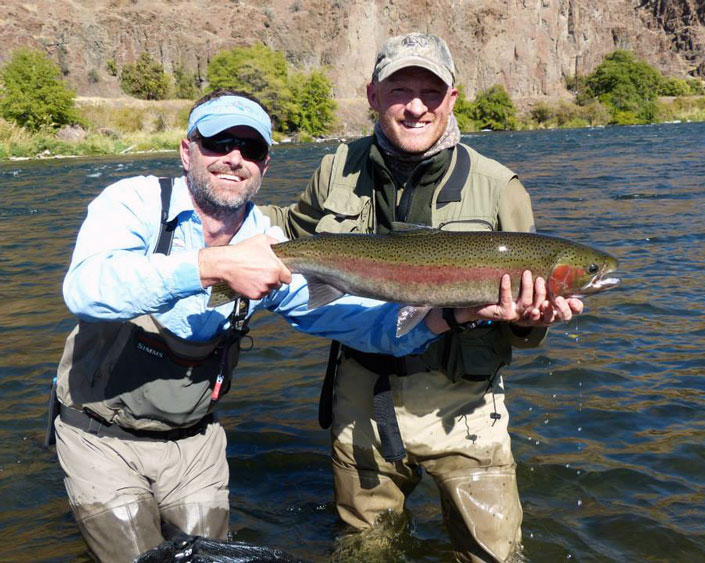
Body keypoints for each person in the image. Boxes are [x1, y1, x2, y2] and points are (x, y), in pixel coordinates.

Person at [51, 89, 503, 562]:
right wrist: (213, 266)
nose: (233, 158)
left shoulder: (270, 244)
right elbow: (86, 289)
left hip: (195, 441)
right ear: (187, 151)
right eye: (218, 142)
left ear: (265, 166)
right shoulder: (134, 202)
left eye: (251, 149)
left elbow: (353, 322)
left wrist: (453, 314)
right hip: (99, 435)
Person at [260, 34, 584, 562]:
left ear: (452, 98)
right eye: (399, 90)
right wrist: (216, 221)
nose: (415, 106)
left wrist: (531, 319)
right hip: (361, 401)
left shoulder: (499, 187)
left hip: (466, 410)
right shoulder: (335, 169)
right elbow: (290, 237)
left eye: (431, 92)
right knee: (365, 553)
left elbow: (523, 329)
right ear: (372, 95)